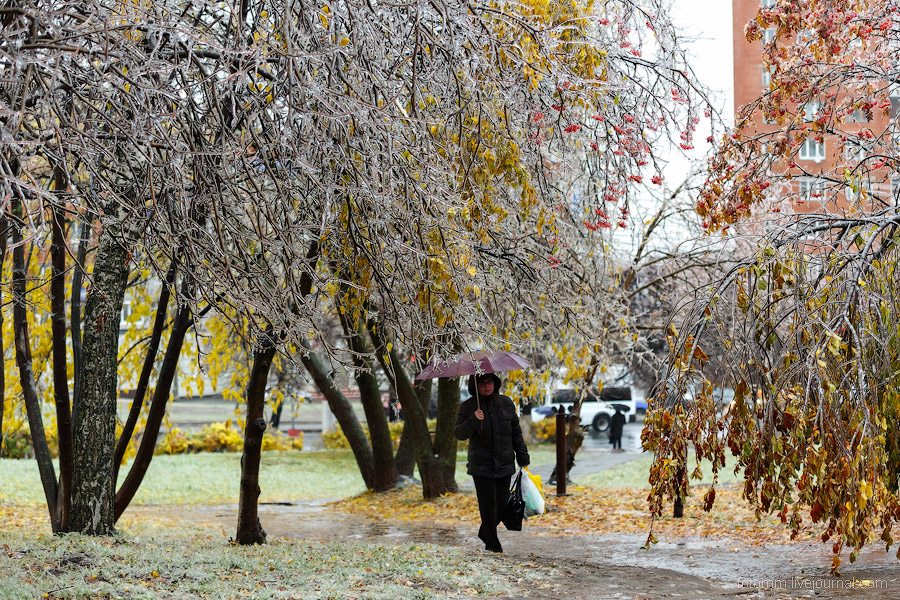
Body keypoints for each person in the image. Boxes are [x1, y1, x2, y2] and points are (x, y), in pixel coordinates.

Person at [455, 373, 530, 553]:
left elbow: (515, 432)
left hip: (504, 462)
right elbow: (459, 434)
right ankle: (493, 545)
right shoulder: (469, 407)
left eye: (489, 382)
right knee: (488, 507)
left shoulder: (506, 403)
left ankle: (485, 532)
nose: (486, 386)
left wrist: (522, 456)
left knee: (502, 504)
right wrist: (473, 420)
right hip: (481, 466)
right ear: (475, 386)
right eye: (482, 383)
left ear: (495, 383)